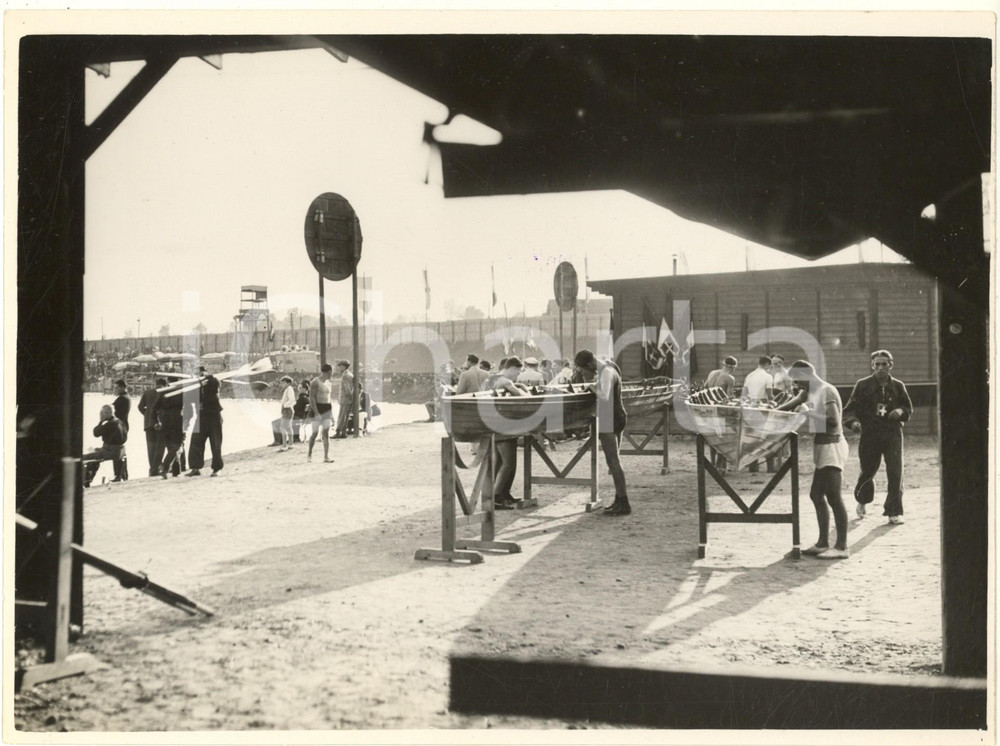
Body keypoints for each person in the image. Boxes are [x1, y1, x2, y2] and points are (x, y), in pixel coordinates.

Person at [777, 360, 850, 559]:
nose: (797, 385)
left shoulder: (826, 391)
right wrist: (770, 411)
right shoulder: (808, 390)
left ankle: (842, 547)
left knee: (833, 496)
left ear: (808, 374)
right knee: (816, 495)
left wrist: (809, 413)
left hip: (832, 446)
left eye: (799, 381)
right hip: (822, 445)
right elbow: (789, 405)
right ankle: (822, 543)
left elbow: (834, 421)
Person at [843, 349, 913, 524]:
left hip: (892, 434)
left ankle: (893, 512)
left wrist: (900, 411)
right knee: (868, 471)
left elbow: (908, 408)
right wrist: (853, 422)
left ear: (891, 365)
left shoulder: (898, 386)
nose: (880, 368)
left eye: (884, 364)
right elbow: (849, 409)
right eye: (877, 364)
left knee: (895, 472)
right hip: (870, 434)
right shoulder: (862, 385)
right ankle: (862, 501)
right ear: (872, 366)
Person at [574, 349, 631, 516]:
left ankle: (624, 503)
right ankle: (620, 500)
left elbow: (604, 396)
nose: (586, 373)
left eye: (585, 370)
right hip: (616, 415)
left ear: (590, 364)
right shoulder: (609, 368)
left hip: (610, 418)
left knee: (613, 462)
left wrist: (591, 386)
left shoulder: (606, 373)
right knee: (614, 463)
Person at [490, 357, 528, 509]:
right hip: (504, 426)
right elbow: (524, 398)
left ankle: (504, 494)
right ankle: (496, 496)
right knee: (509, 463)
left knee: (499, 462)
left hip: (492, 423)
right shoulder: (506, 381)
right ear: (512, 368)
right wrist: (523, 388)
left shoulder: (491, 378)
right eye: (517, 372)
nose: (517, 376)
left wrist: (516, 385)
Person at [187, 368, 224, 477]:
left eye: (201, 373)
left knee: (215, 443)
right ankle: (195, 467)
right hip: (201, 417)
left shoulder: (213, 381)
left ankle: (217, 469)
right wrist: (198, 383)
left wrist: (206, 378)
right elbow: (190, 397)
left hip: (214, 416)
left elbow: (215, 386)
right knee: (195, 442)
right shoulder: (196, 386)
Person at [704, 356, 738, 473]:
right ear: (732, 367)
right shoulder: (730, 378)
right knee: (723, 437)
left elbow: (704, 389)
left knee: (713, 436)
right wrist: (736, 398)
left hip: (708, 409)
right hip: (720, 410)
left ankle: (713, 463)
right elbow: (729, 396)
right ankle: (722, 466)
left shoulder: (712, 373)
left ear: (723, 364)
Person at [741, 355, 774, 473]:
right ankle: (770, 467)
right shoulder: (768, 376)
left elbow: (744, 394)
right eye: (770, 365)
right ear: (766, 364)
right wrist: (774, 402)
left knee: (752, 437)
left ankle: (753, 466)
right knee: (766, 436)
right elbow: (770, 396)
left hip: (750, 407)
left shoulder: (749, 375)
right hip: (762, 407)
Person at [82, 404, 128, 487]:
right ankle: (88, 479)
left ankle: (86, 480)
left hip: (112, 452)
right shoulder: (120, 422)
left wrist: (100, 421)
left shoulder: (110, 424)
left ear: (107, 413)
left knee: (85, 457)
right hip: (121, 451)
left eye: (102, 413)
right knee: (95, 452)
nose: (101, 415)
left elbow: (96, 433)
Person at [767, 355, 794, 472]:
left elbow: (790, 391)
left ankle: (782, 460)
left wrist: (787, 405)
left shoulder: (785, 374)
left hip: (784, 403)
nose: (776, 365)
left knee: (782, 432)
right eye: (774, 362)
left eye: (778, 362)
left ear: (782, 363)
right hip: (777, 402)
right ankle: (779, 459)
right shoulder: (775, 374)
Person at [137, 377, 167, 476]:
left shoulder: (147, 392)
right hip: (160, 423)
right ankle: (155, 468)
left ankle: (152, 469)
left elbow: (140, 407)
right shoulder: (164, 392)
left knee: (151, 447)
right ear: (164, 384)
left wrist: (147, 414)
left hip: (148, 424)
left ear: (155, 383)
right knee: (160, 447)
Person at [308, 363, 335, 462]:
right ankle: (310, 453)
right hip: (318, 407)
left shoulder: (329, 383)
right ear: (328, 372)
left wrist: (331, 414)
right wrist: (316, 412)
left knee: (326, 433)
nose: (332, 374)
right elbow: (311, 398)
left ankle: (326, 456)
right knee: (314, 433)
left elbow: (329, 398)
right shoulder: (315, 382)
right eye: (331, 372)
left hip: (326, 408)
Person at [110, 378, 131, 480]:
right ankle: (123, 475)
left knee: (117, 451)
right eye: (114, 388)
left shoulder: (122, 399)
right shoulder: (126, 397)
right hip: (123, 426)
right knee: (120, 451)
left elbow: (116, 414)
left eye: (117, 388)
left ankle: (118, 475)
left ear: (123, 387)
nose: (115, 390)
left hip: (119, 428)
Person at [333, 360, 355, 438]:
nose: (338, 368)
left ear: (343, 366)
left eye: (339, 366)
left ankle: (339, 432)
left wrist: (349, 397)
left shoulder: (345, 376)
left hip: (345, 399)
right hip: (347, 399)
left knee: (342, 416)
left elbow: (347, 390)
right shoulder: (349, 374)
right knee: (345, 416)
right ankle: (343, 432)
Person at [278, 375, 295, 451]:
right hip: (288, 410)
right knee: (288, 428)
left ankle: (284, 445)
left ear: (287, 383)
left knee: (282, 427)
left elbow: (292, 400)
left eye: (283, 383)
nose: (282, 384)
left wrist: (284, 405)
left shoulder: (289, 389)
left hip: (287, 410)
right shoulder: (288, 389)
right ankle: (291, 444)